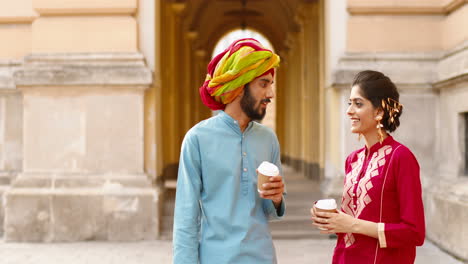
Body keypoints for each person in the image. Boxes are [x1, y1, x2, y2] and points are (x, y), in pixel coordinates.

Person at [173, 38, 286, 264]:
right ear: (237, 87)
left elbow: (271, 212)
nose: (271, 93)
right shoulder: (197, 139)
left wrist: (276, 198)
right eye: (263, 84)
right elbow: (186, 218)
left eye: (271, 84)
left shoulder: (268, 139)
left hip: (262, 258)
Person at [311, 70, 425, 264]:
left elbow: (414, 232)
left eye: (358, 104)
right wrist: (333, 220)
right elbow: (353, 220)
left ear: (379, 111)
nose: (349, 111)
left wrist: (353, 225)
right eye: (350, 103)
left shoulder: (401, 158)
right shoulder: (352, 160)